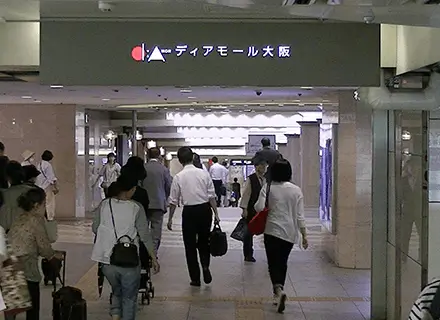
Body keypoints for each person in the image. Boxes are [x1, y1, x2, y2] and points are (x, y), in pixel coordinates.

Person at [92, 173, 159, 320]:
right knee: (129, 298)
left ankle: (115, 315)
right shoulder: (136, 207)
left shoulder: (104, 204)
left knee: (117, 290)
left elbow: (95, 228)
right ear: (131, 189)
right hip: (128, 259)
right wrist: (153, 258)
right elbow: (144, 235)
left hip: (106, 260)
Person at [254, 159, 308, 313]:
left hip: (272, 231)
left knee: (273, 263)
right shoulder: (296, 190)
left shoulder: (268, 187)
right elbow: (300, 216)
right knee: (282, 262)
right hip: (289, 233)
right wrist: (304, 235)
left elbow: (258, 207)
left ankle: (277, 291)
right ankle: (279, 290)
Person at [8, 188, 64, 320]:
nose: (45, 208)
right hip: (26, 267)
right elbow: (44, 246)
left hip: (9, 264)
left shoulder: (20, 217)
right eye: (44, 204)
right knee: (33, 307)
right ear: (36, 205)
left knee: (13, 307)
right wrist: (53, 255)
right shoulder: (36, 220)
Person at [167, 147, 219, 287]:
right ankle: (205, 266)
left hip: (189, 212)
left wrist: (170, 218)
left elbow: (173, 201)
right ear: (192, 158)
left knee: (189, 245)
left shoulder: (179, 176)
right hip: (204, 210)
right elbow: (211, 196)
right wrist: (216, 213)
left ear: (180, 160)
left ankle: (195, 278)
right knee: (204, 241)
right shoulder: (204, 174)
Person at [143, 147, 172, 258]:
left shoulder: (143, 168)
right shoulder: (163, 169)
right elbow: (169, 185)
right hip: (158, 203)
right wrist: (164, 196)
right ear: (159, 156)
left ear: (148, 155)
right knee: (156, 231)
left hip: (144, 204)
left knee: (143, 228)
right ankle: (153, 253)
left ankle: (143, 251)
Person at [239, 158, 267, 262]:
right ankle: (248, 254)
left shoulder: (265, 179)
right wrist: (244, 209)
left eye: (265, 166)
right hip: (251, 209)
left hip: (263, 210)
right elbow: (246, 195)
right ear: (256, 167)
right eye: (262, 166)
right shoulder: (251, 179)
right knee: (248, 233)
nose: (264, 168)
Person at [0, 161, 33, 232]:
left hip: (8, 234)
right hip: (28, 233)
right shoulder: (33, 191)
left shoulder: (3, 194)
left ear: (6, 176)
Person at [35, 150, 59, 221]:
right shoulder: (48, 165)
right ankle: (49, 217)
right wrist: (56, 187)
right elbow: (51, 178)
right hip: (47, 186)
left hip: (40, 186)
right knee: (49, 203)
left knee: (42, 203)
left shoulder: (39, 164)